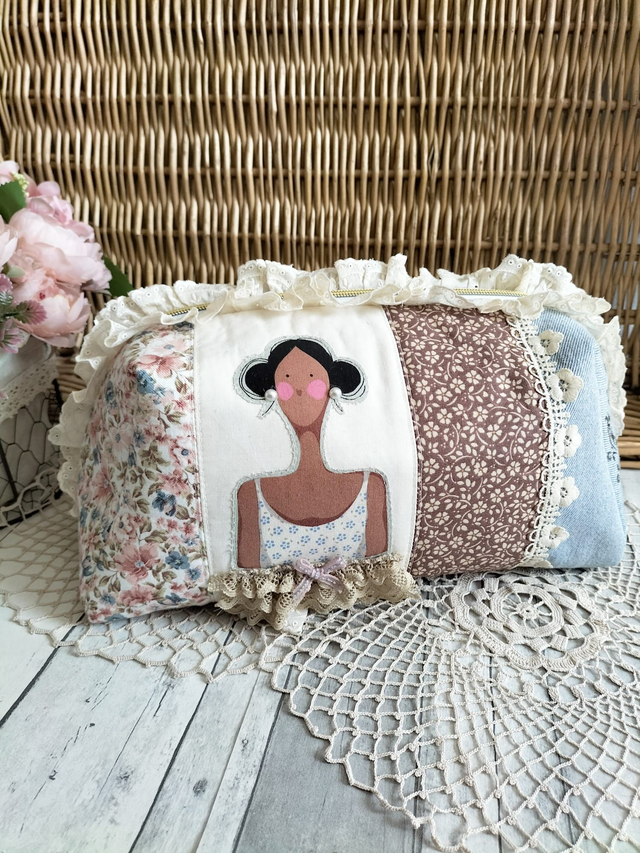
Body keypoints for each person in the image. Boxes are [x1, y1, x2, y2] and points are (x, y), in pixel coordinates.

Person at [235, 338, 388, 568]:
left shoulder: (371, 485)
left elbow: (379, 566)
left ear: (333, 385)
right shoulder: (251, 493)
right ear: (272, 390)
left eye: (311, 378)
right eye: (286, 380)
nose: (299, 390)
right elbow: (246, 567)